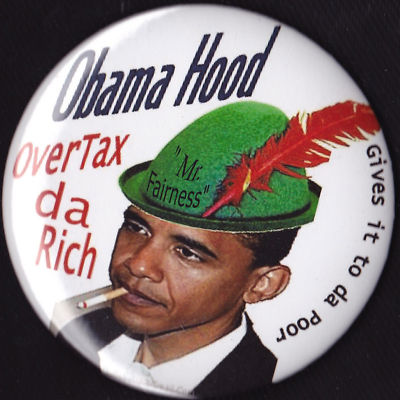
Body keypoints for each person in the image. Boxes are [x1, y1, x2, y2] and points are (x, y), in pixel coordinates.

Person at [59, 100, 377, 397]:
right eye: (137, 228)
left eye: (187, 252)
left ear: (262, 285)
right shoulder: (73, 324)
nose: (139, 264)